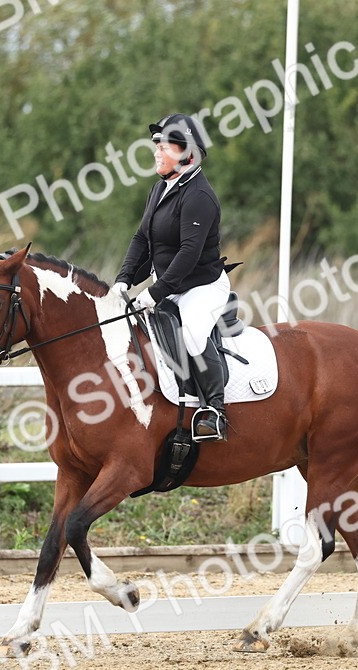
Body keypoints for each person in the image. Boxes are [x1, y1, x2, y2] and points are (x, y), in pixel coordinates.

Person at [112, 113, 232, 442]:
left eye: (163, 147)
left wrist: (155, 292)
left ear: (187, 155)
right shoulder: (159, 189)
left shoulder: (199, 197)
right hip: (170, 285)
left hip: (201, 287)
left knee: (192, 334)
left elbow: (189, 254)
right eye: (157, 146)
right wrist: (124, 279)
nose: (156, 153)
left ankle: (215, 410)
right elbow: (142, 238)